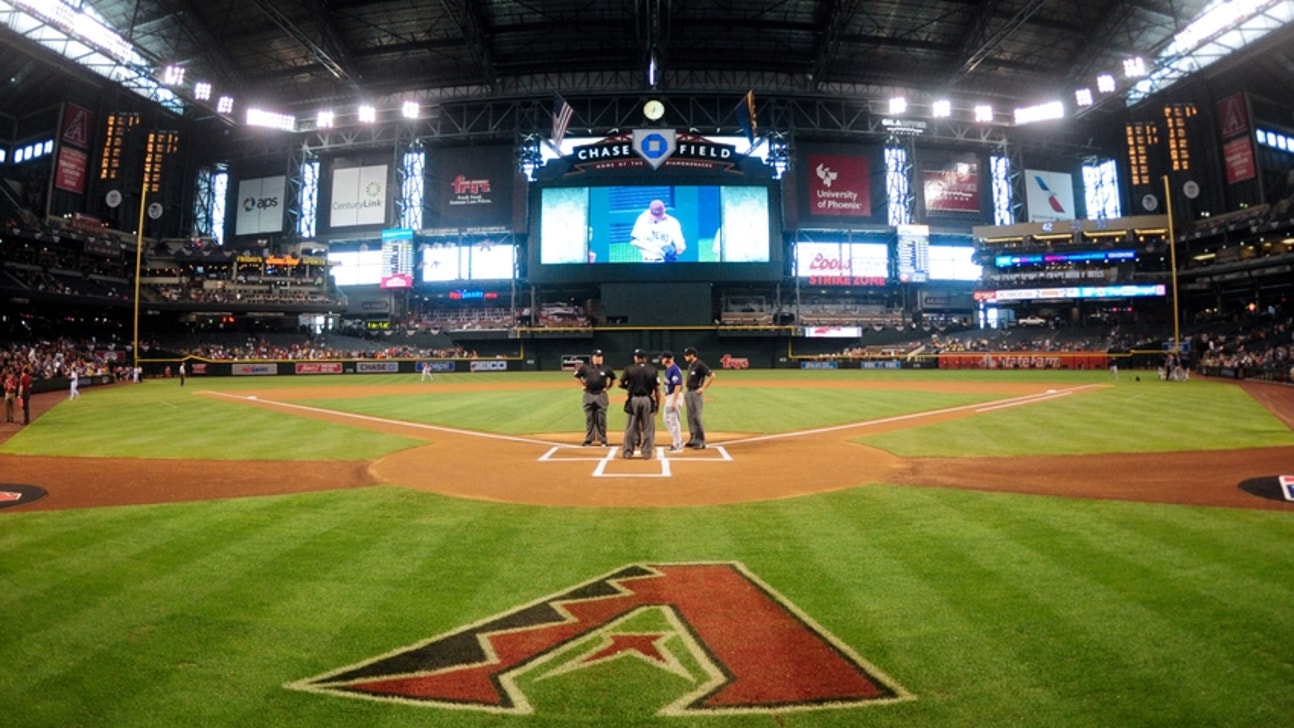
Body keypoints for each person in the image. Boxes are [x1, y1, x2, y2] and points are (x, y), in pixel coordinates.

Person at [618, 349, 660, 459]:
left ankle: (628, 452)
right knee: (648, 427)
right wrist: (657, 405)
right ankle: (646, 453)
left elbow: (620, 383)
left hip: (633, 400)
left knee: (631, 427)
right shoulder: (652, 369)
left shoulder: (629, 368)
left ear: (636, 358)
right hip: (647, 400)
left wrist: (630, 386)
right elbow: (657, 390)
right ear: (645, 358)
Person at [573, 349, 616, 446]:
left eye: (600, 357)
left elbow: (613, 379)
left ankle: (603, 439)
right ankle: (589, 439)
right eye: (597, 357)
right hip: (589, 394)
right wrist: (582, 385)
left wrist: (608, 387)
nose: (599, 359)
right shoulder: (585, 367)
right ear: (593, 358)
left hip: (601, 394)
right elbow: (576, 376)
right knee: (589, 418)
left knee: (601, 418)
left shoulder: (606, 368)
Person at [682, 346, 714, 449]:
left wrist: (703, 388)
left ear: (692, 355)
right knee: (690, 416)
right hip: (689, 392)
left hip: (696, 393)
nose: (685, 357)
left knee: (696, 416)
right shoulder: (691, 365)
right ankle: (693, 439)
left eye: (687, 355)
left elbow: (713, 375)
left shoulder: (699, 364)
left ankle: (701, 441)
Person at [659, 351, 685, 452]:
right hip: (670, 397)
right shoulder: (669, 369)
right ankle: (678, 440)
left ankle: (678, 444)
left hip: (674, 396)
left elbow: (678, 385)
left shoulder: (675, 369)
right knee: (667, 419)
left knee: (672, 420)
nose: (661, 360)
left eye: (662, 358)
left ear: (667, 359)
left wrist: (674, 401)